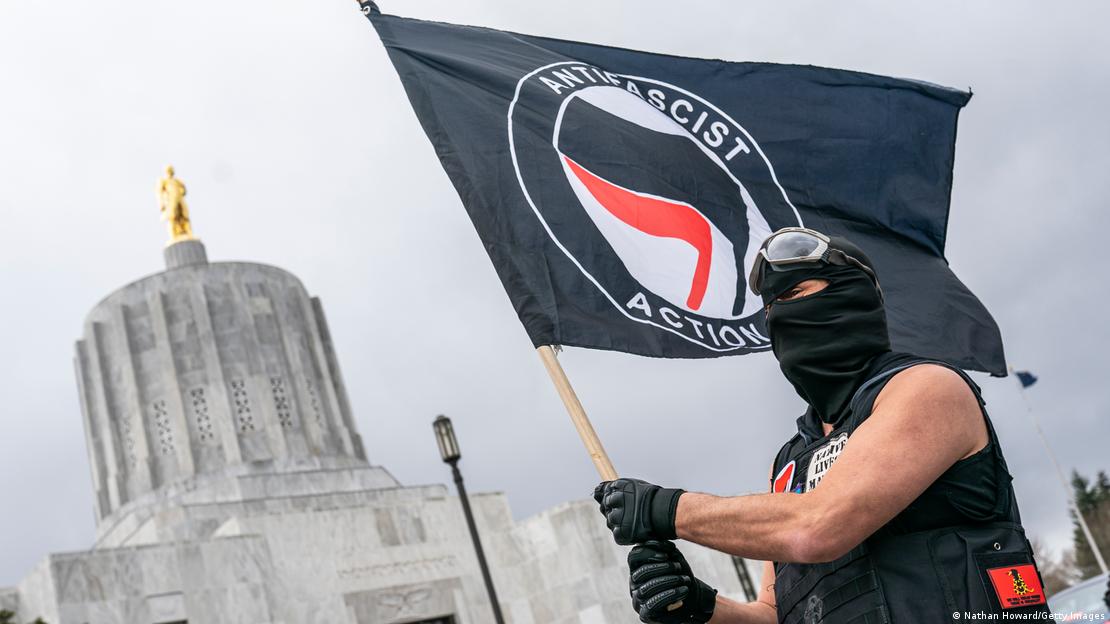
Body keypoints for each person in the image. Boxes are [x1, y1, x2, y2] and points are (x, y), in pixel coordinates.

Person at [594, 227, 1050, 623]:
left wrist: (668, 510)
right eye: (771, 308)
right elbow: (775, 614)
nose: (779, 316)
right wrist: (699, 607)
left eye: (795, 295)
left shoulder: (927, 389)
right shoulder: (790, 463)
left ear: (854, 297)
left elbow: (820, 526)